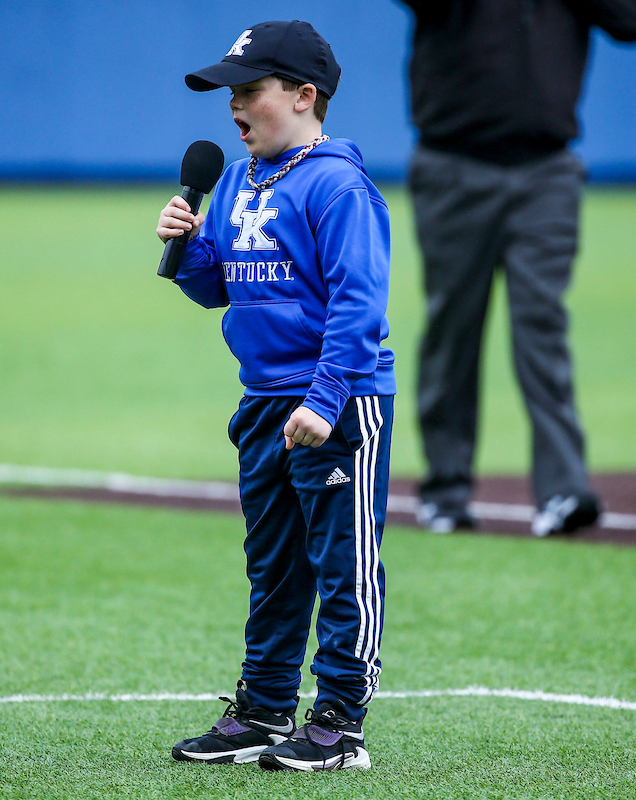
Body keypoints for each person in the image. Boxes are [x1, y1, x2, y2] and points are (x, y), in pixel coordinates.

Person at [155, 20, 396, 772]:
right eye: (229, 91)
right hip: (263, 401)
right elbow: (217, 287)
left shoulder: (337, 184)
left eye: (249, 89)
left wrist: (326, 401)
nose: (234, 105)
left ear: (303, 95)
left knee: (341, 560)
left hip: (336, 402)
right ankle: (263, 708)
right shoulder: (234, 180)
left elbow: (359, 303)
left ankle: (340, 721)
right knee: (274, 565)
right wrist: (189, 246)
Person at [398, 0, 636, 536]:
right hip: (453, 165)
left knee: (542, 322)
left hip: (548, 170)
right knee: (454, 326)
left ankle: (563, 490)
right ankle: (445, 490)